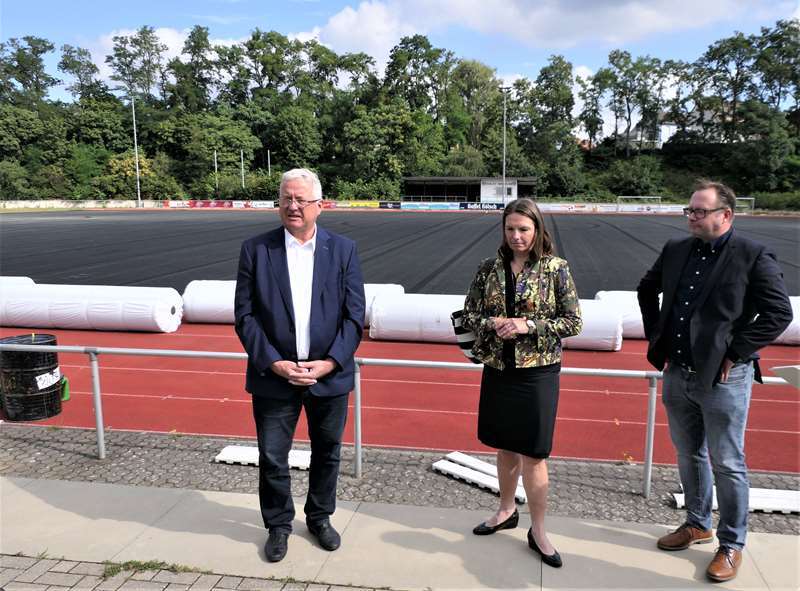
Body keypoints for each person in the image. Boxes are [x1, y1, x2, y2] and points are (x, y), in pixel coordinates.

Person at [637, 180, 792, 583]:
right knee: (688, 454)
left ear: (726, 215)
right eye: (689, 210)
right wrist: (659, 337)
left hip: (724, 379)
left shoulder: (753, 256)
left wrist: (735, 351)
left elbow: (778, 314)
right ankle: (697, 523)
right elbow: (646, 289)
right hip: (677, 372)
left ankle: (732, 543)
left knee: (728, 462)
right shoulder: (676, 250)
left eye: (699, 211)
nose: (691, 217)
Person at [234, 168, 365, 563]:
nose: (293, 206)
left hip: (329, 374)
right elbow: (246, 316)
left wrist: (330, 362)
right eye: (286, 198)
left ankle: (320, 517)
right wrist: (273, 362)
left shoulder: (343, 250)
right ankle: (278, 525)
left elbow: (354, 316)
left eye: (301, 200)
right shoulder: (256, 250)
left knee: (328, 453)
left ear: (319, 207)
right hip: (275, 377)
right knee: (273, 456)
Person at [461, 198, 582, 569]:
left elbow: (573, 322)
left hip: (537, 373)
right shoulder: (488, 268)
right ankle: (505, 510)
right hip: (499, 368)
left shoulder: (556, 269)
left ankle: (539, 530)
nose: (516, 236)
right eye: (510, 229)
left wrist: (529, 325)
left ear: (538, 230)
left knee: (534, 453)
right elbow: (469, 313)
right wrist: (494, 323)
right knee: (504, 448)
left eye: (524, 229)